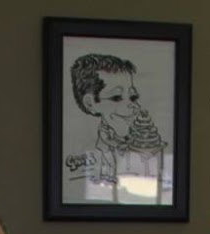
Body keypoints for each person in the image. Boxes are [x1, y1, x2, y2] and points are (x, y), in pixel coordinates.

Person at [63, 52, 172, 205]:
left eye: (133, 97)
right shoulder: (90, 148)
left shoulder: (144, 142)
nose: (134, 106)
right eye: (116, 97)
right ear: (90, 104)